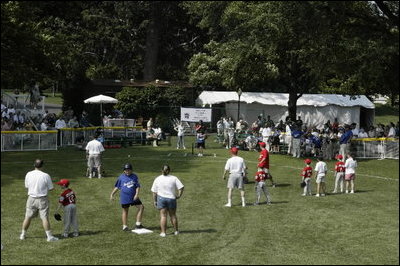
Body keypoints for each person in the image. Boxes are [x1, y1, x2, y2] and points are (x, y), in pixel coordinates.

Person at [20, 159, 59, 242]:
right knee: (44, 218)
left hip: (31, 198)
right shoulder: (45, 175)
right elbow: (51, 188)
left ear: (34, 165)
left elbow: (27, 186)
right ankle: (49, 237)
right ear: (42, 166)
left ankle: (23, 235)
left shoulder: (28, 174)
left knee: (27, 217)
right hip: (42, 199)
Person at [151, 165, 184, 237]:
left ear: (161, 170)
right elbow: (181, 187)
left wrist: (154, 201)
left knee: (163, 216)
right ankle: (176, 231)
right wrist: (179, 195)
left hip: (161, 199)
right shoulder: (174, 178)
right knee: (173, 215)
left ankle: (163, 233)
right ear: (169, 170)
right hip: (171, 199)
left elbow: (154, 192)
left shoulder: (157, 179)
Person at [110, 163, 145, 231]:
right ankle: (125, 226)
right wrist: (112, 194)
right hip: (124, 197)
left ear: (131, 170)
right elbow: (117, 187)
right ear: (124, 171)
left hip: (133, 196)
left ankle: (138, 224)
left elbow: (137, 186)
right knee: (125, 211)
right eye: (126, 170)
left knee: (141, 207)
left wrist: (136, 194)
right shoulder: (121, 177)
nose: (127, 171)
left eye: (129, 170)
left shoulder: (134, 176)